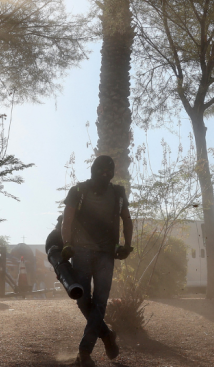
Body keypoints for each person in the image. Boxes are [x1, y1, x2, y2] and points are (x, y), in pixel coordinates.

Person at [61, 155, 134, 367]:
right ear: (93, 170)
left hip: (106, 254)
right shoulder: (78, 191)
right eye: (101, 171)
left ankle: (84, 352)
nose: (104, 175)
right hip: (81, 252)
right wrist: (67, 244)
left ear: (112, 174)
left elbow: (126, 219)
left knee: (99, 302)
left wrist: (127, 245)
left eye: (108, 173)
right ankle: (107, 335)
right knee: (83, 300)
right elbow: (68, 219)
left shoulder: (118, 193)